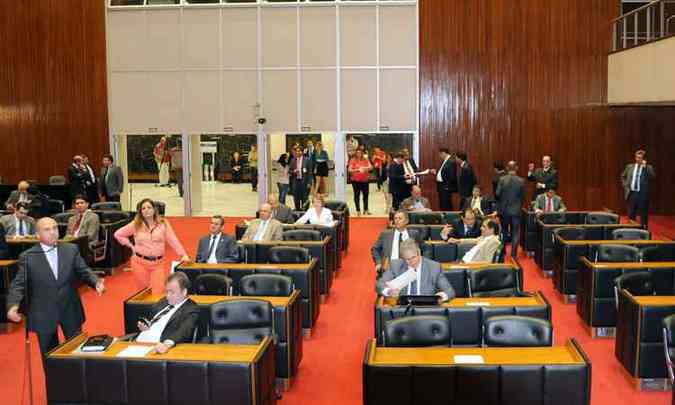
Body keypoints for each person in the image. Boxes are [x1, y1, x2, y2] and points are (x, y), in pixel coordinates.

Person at [5, 217, 106, 359]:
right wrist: (12, 306)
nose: (53, 232)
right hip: (44, 313)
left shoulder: (71, 249)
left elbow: (84, 271)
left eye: (55, 228)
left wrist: (96, 282)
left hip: (70, 308)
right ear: (37, 235)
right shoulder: (28, 257)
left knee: (77, 353)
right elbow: (18, 284)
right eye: (47, 230)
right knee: (50, 357)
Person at [114, 198, 190, 295]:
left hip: (157, 264)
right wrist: (130, 246)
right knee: (143, 293)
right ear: (140, 212)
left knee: (158, 292)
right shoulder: (136, 224)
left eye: (149, 207)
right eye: (143, 208)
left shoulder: (163, 223)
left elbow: (173, 240)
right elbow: (118, 234)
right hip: (139, 263)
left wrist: (183, 254)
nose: (146, 210)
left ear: (154, 210)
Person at [133, 272, 199, 354]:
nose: (168, 296)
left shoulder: (191, 309)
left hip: (156, 347)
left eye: (172, 292)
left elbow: (184, 331)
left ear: (184, 292)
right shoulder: (164, 301)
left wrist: (167, 344)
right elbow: (151, 319)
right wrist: (146, 326)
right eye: (167, 291)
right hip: (137, 342)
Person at [376, 239, 454, 301]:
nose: (410, 262)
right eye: (406, 259)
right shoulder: (396, 265)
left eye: (413, 257)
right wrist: (389, 291)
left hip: (426, 309)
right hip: (403, 309)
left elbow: (449, 291)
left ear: (419, 253)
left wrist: (439, 297)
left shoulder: (434, 267)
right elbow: (379, 285)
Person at [371, 211, 422, 275]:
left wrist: (421, 262)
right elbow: (375, 249)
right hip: (390, 269)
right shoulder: (385, 234)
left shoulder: (414, 234)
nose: (397, 221)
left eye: (400, 218)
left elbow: (425, 248)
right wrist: (378, 263)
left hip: (410, 269)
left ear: (407, 221)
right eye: (395, 218)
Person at [496, 161, 526, 259]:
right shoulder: (521, 181)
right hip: (516, 211)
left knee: (504, 231)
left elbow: (497, 194)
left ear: (507, 168)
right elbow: (523, 197)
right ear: (516, 168)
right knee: (515, 233)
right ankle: (513, 254)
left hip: (504, 211)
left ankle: (503, 251)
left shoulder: (502, 179)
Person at [621, 149, 655, 228]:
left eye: (640, 158)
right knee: (631, 213)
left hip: (642, 194)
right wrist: (625, 185)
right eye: (637, 157)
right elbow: (623, 176)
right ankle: (631, 229)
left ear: (643, 159)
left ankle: (644, 229)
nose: (638, 159)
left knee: (643, 214)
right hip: (632, 193)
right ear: (635, 158)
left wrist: (645, 167)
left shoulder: (648, 167)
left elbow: (652, 177)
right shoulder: (629, 166)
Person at [348, 148, 372, 216]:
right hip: (355, 181)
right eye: (357, 152)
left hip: (365, 180)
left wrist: (366, 168)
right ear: (355, 153)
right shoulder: (352, 160)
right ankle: (358, 210)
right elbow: (349, 170)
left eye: (360, 153)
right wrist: (357, 170)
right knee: (356, 195)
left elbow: (371, 167)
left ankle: (366, 209)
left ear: (362, 153)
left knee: (366, 195)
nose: (359, 154)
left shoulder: (365, 159)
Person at [290, 146, 313, 211]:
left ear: (302, 152)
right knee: (296, 197)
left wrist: (309, 182)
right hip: (296, 181)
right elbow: (290, 170)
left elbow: (310, 172)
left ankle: (305, 210)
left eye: (299, 151)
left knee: (304, 197)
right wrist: (294, 171)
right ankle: (297, 210)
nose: (297, 152)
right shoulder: (293, 160)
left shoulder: (307, 160)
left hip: (305, 182)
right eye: (296, 151)